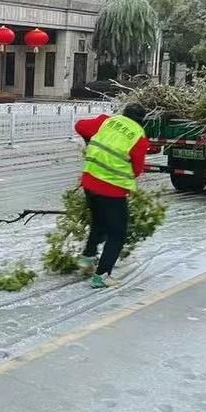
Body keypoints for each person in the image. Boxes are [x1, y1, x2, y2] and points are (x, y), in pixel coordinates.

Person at [74, 103, 150, 289]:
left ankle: (87, 257)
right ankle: (102, 275)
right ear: (142, 121)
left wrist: (89, 141)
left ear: (123, 113)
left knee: (99, 221)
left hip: (89, 181)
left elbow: (80, 125)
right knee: (117, 233)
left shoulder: (107, 121)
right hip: (112, 190)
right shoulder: (139, 137)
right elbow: (137, 169)